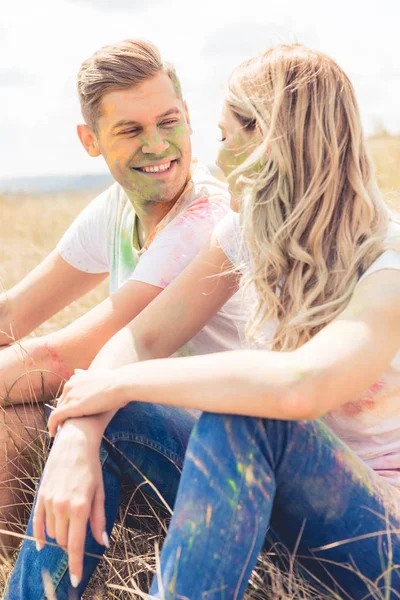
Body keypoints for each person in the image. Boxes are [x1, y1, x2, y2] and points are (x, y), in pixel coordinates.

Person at [8, 43, 400, 599]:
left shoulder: (389, 265)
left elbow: (300, 388)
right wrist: (82, 429)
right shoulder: (245, 236)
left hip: (379, 541)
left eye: (225, 137)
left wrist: (113, 383)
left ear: (269, 144)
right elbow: (142, 337)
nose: (215, 161)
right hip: (273, 508)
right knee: (128, 414)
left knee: (244, 417)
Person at [0, 39, 246, 552]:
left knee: (16, 425)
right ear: (90, 140)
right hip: (142, 425)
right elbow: (12, 315)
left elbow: (62, 357)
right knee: (15, 416)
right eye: (130, 130)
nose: (157, 145)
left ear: (189, 119)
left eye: (169, 121)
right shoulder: (117, 208)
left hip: (223, 449)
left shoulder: (205, 217)